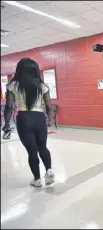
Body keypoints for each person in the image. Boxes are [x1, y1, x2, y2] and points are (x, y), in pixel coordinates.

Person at [2, 58, 55, 187]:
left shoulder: (13, 85)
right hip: (39, 118)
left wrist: (7, 124)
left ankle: (37, 180)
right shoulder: (41, 85)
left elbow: (9, 107)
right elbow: (49, 106)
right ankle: (49, 170)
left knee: (32, 151)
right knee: (43, 147)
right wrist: (50, 120)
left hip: (24, 118)